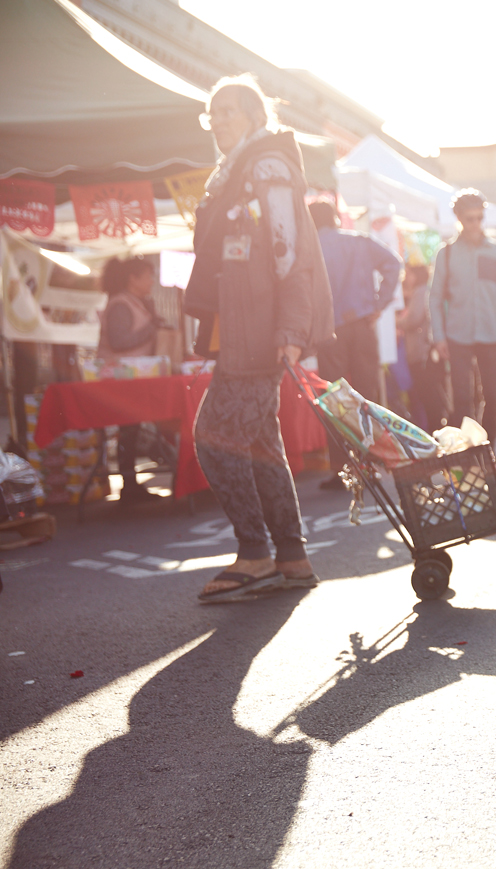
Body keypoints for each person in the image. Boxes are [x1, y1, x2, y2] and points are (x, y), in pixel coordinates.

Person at [183, 75, 334, 602]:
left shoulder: (265, 167)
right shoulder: (234, 172)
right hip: (243, 332)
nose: (218, 120)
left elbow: (288, 254)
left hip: (260, 334)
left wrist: (292, 330)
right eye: (212, 112)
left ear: (253, 114)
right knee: (262, 445)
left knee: (214, 438)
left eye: (227, 109)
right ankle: (291, 557)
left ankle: (254, 555)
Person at [308, 200, 401, 488]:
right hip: (361, 325)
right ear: (336, 218)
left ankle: (341, 469)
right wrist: (379, 302)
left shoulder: (310, 247)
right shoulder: (358, 241)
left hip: (329, 330)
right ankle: (373, 461)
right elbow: (393, 263)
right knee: (366, 396)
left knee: (334, 399)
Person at [431, 189, 496, 445]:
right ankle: (465, 453)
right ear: (459, 218)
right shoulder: (446, 253)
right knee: (462, 396)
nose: (475, 224)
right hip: (457, 334)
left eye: (479, 218)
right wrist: (439, 337)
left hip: (492, 333)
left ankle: (489, 452)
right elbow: (435, 298)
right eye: (469, 218)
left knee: (492, 396)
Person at [98, 255, 170, 504]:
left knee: (132, 429)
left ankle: (131, 484)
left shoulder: (136, 303)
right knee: (128, 429)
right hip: (120, 382)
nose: (152, 281)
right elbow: (119, 342)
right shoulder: (120, 304)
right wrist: (151, 328)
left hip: (134, 381)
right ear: (133, 278)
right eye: (148, 276)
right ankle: (129, 485)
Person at [395, 262, 449, 433]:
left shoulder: (421, 292)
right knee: (430, 392)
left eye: (408, 274)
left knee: (427, 392)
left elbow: (413, 319)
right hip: (423, 351)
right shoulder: (423, 291)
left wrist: (395, 322)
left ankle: (436, 429)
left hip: (421, 352)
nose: (406, 278)